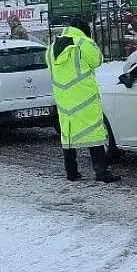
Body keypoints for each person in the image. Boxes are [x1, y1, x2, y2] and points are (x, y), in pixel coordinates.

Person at [46, 18, 118, 183]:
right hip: (85, 98)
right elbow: (97, 60)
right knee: (94, 132)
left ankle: (71, 172)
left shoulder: (51, 48)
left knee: (68, 135)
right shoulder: (84, 42)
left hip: (64, 99)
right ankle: (102, 172)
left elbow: (51, 68)